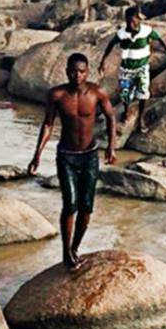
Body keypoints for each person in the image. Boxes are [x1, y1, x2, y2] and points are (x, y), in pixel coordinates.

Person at [28, 53, 117, 268]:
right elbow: (48, 124)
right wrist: (37, 155)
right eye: (73, 71)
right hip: (66, 156)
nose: (77, 75)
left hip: (90, 156)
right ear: (67, 71)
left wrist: (111, 147)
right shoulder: (57, 95)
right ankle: (66, 252)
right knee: (70, 204)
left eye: (81, 71)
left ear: (87, 72)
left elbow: (111, 117)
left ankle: (75, 248)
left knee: (86, 206)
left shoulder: (97, 93)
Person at [99, 6, 166, 135]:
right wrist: (103, 61)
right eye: (129, 21)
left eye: (134, 21)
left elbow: (160, 40)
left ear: (138, 20)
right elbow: (110, 45)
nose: (132, 24)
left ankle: (140, 118)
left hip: (142, 67)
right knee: (125, 93)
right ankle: (126, 111)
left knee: (143, 93)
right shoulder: (121, 34)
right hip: (126, 68)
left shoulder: (146, 31)